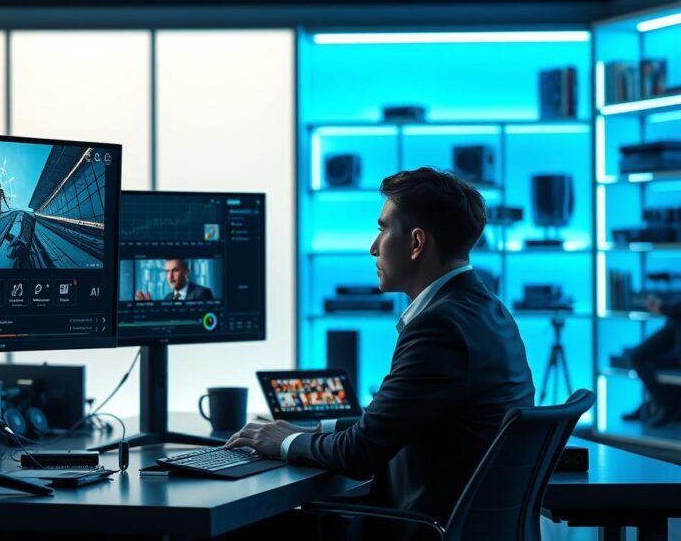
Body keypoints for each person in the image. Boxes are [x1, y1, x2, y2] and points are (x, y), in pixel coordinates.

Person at [225, 167, 535, 540]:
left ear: (416, 243)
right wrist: (314, 430)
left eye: (383, 230)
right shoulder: (487, 309)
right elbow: (399, 421)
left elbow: (360, 454)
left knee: (238, 526)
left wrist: (284, 443)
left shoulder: (440, 327)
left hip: (416, 531)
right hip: (458, 526)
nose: (373, 247)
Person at [623, 294, 681, 426]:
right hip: (672, 332)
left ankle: (663, 405)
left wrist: (662, 307)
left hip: (675, 338)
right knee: (638, 358)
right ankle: (653, 404)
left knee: (639, 359)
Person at [134, 258, 214, 301]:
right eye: (167, 271)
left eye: (175, 270)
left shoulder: (203, 293)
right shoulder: (167, 298)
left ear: (186, 272)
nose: (170, 276)